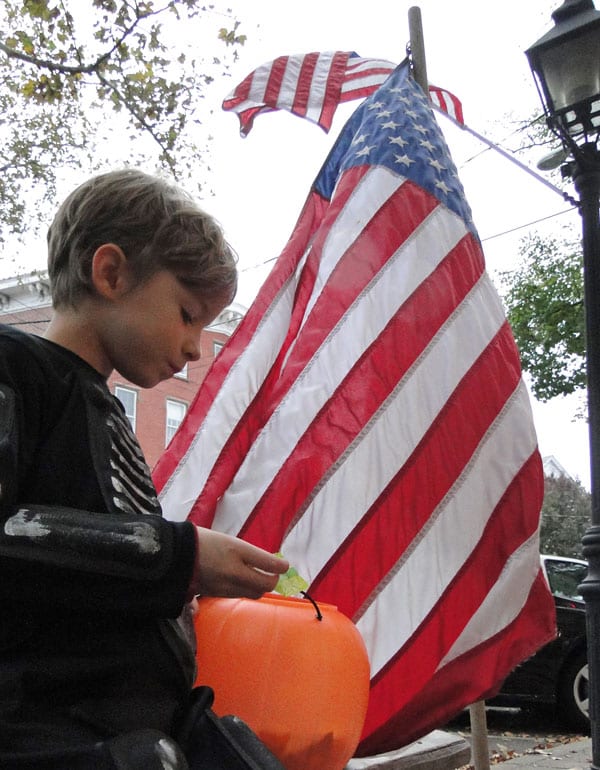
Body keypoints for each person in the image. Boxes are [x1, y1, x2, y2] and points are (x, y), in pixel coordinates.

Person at [0, 168, 289, 768]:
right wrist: (176, 557)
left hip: (141, 724)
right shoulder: (15, 367)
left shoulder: (108, 414)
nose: (194, 347)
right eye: (187, 314)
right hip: (43, 729)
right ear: (110, 273)